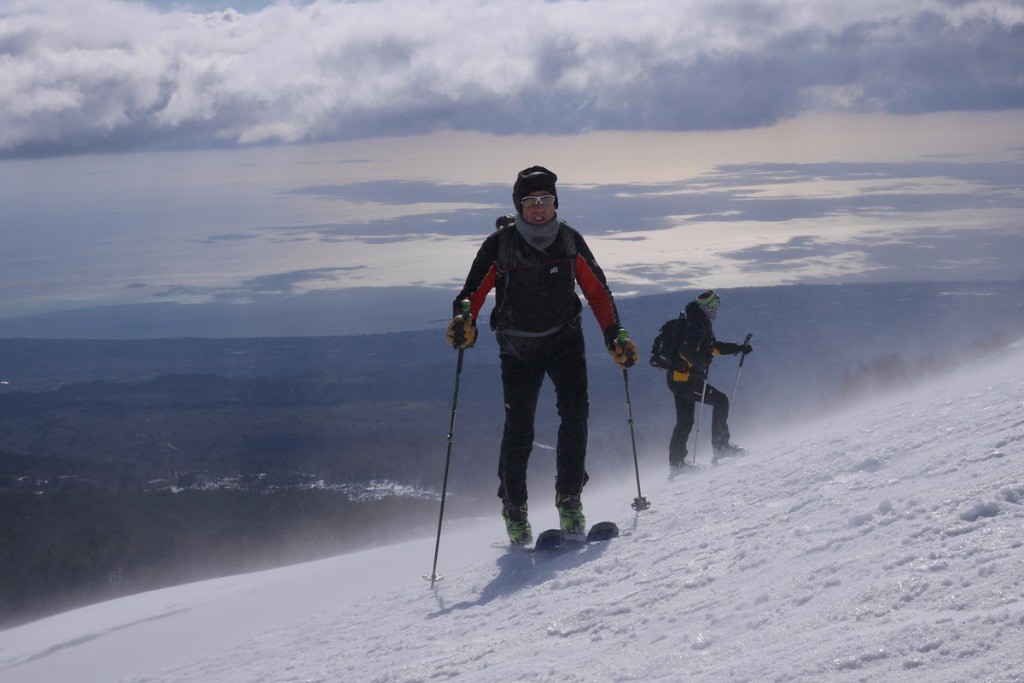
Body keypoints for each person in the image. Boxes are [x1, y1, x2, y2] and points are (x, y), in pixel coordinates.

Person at [446, 165, 638, 544]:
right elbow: (472, 293)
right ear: (519, 205)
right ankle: (515, 508)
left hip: (565, 339)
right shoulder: (499, 245)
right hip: (518, 349)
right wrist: (464, 319)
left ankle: (570, 500)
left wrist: (614, 334)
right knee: (520, 430)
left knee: (575, 416)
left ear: (555, 203)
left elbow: (598, 293)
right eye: (530, 202)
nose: (538, 208)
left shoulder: (569, 241)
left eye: (545, 200)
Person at [665, 290, 752, 469]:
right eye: (715, 306)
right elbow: (686, 350)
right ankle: (720, 445)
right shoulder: (697, 324)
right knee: (720, 401)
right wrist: (701, 361)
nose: (717, 310)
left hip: (677, 379)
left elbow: (712, 347)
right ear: (707, 307)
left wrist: (738, 348)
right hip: (685, 380)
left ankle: (676, 463)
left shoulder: (696, 321)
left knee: (685, 421)